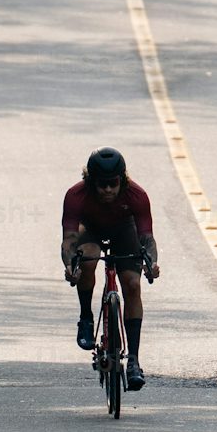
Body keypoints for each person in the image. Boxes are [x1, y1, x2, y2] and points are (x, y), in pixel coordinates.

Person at [61, 146, 158, 388]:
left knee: (132, 284)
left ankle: (133, 360)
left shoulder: (136, 195)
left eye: (113, 183)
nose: (107, 190)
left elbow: (147, 237)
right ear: (90, 181)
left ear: (122, 180)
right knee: (88, 258)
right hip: (90, 229)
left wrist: (152, 262)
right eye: (101, 184)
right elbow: (69, 239)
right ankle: (86, 317)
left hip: (124, 230)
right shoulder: (76, 195)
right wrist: (71, 265)